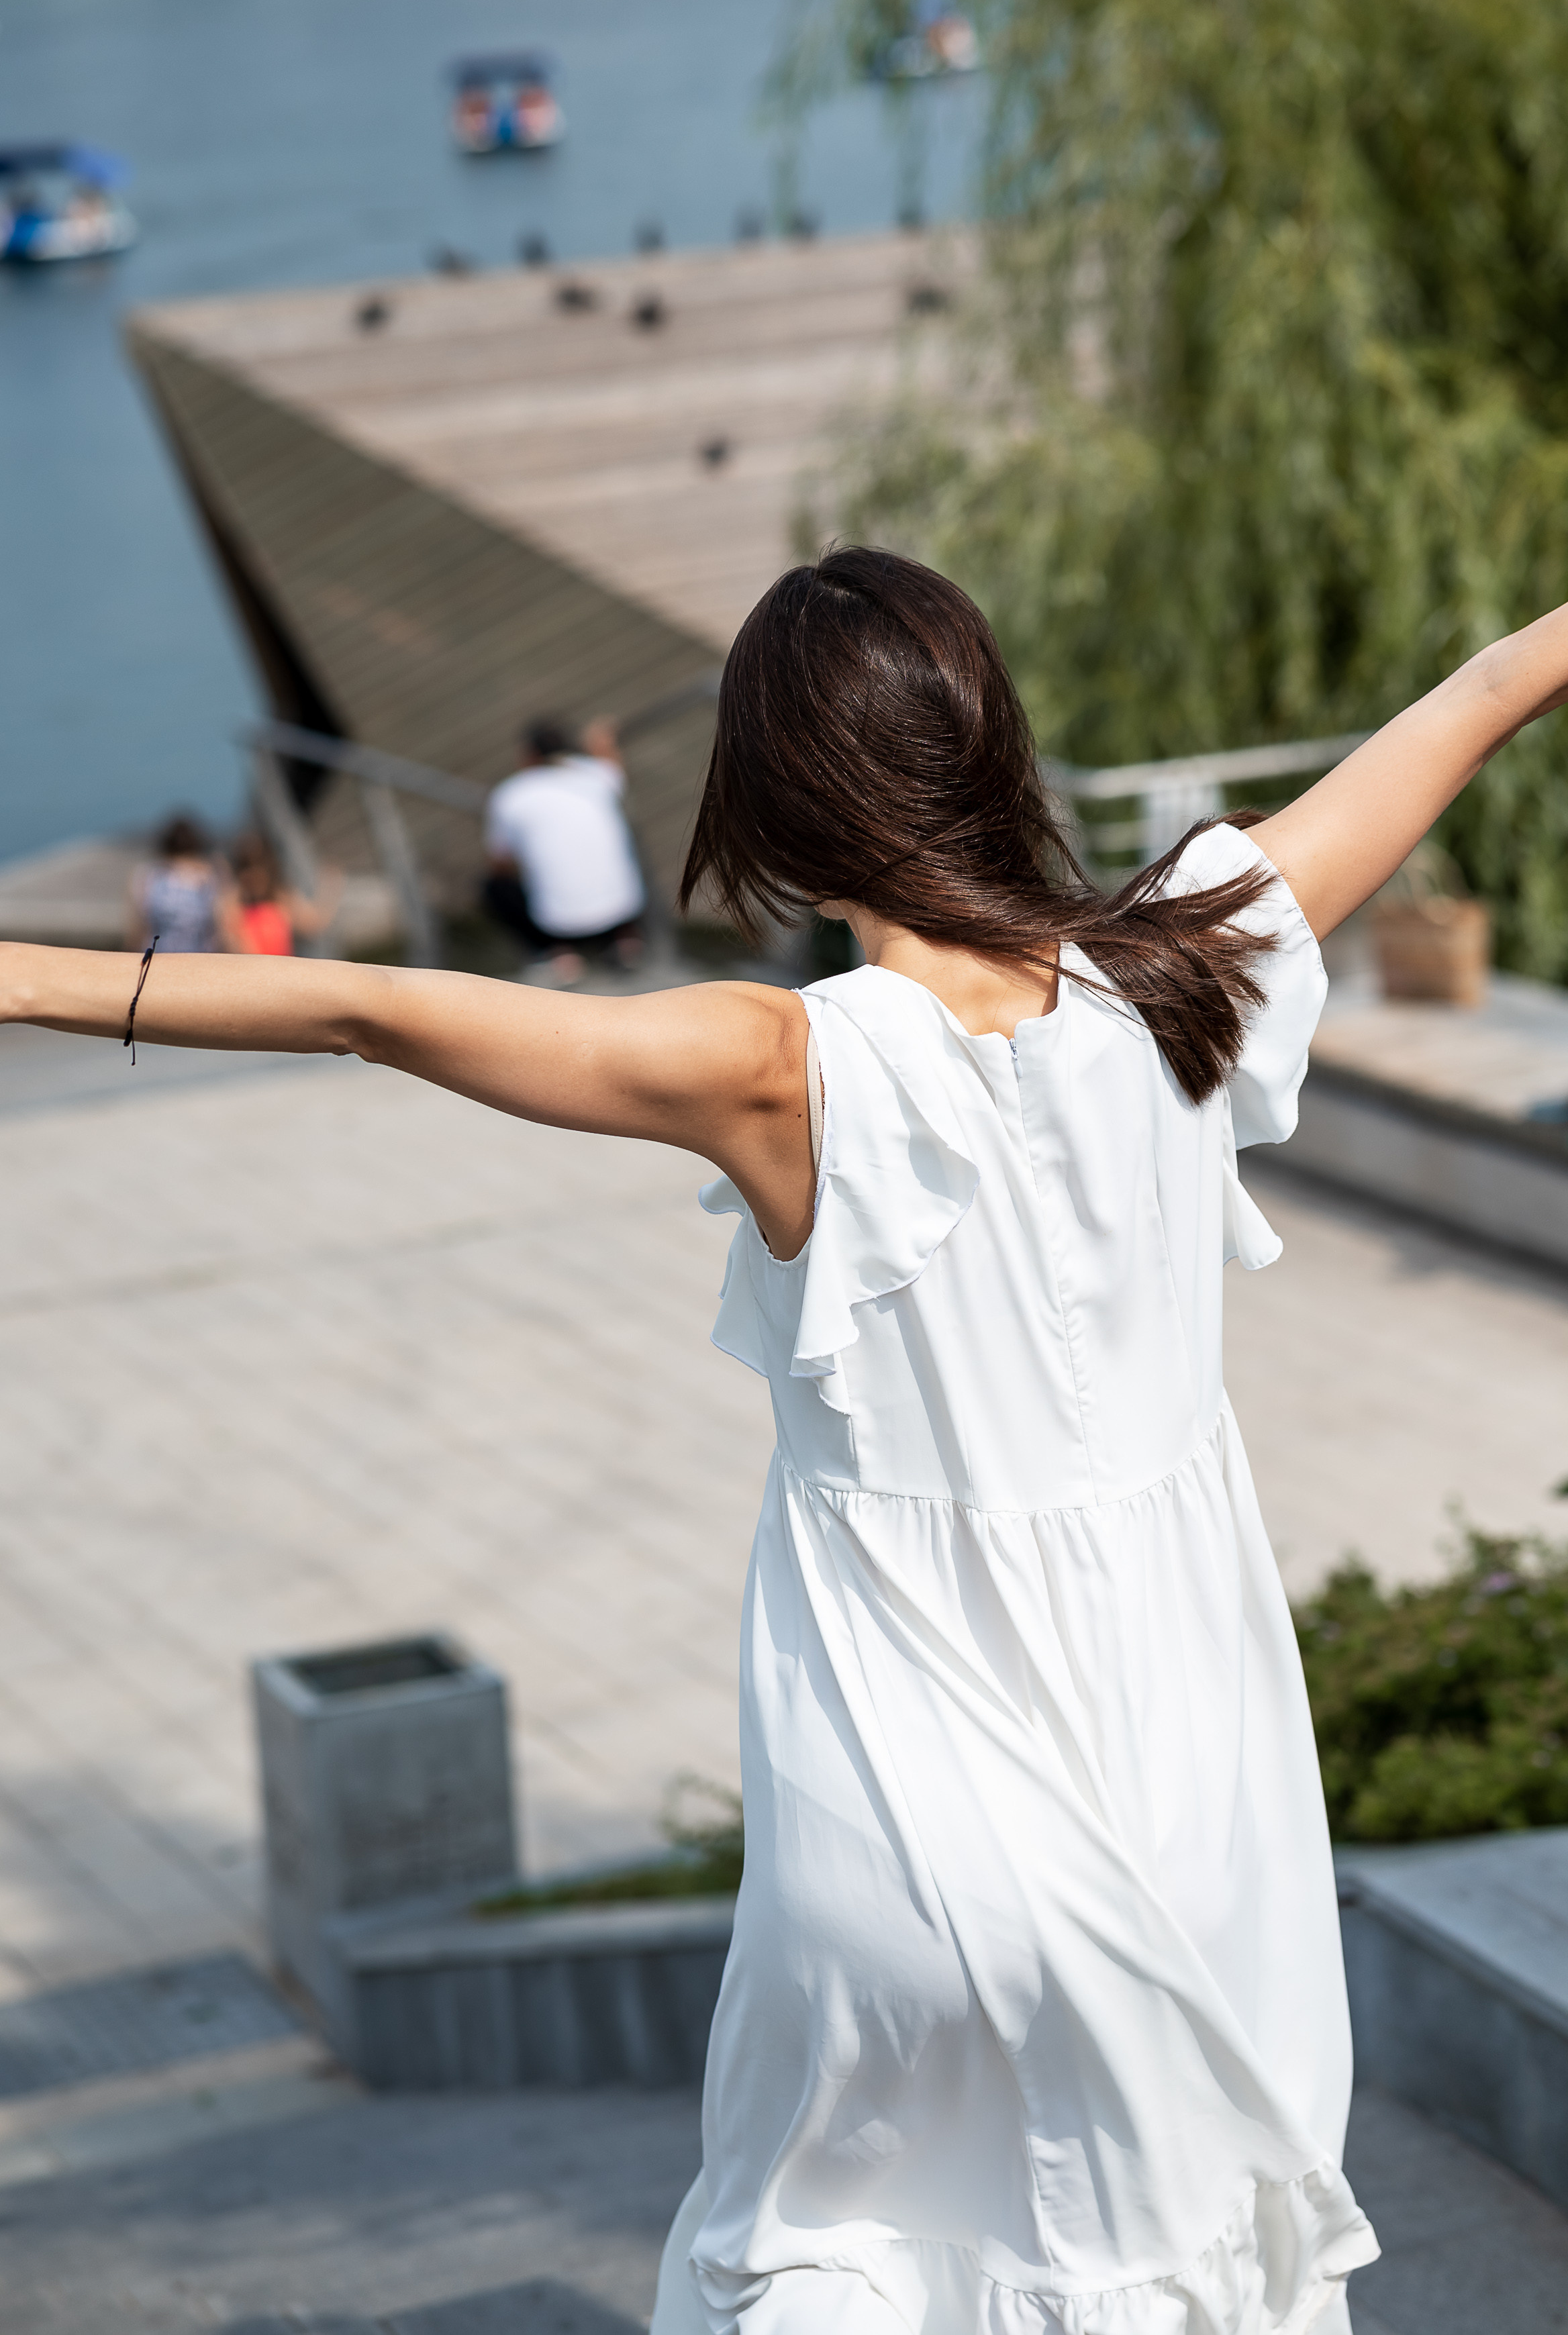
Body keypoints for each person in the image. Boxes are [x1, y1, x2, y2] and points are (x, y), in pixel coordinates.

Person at [7, 545, 1562, 2332]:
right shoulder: (1193, 967)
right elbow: (1484, 690)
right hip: (1195, 1775)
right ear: (988, 747)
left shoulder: (785, 1062)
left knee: (851, 2251)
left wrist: (27, 982)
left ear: (780, 801)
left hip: (910, 1801)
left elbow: (376, 1006)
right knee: (1176, 2248)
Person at [481, 715, 646, 983]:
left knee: (494, 886)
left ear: (528, 753)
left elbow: (499, 863)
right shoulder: (597, 776)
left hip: (558, 924)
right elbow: (611, 761)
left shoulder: (509, 794)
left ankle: (558, 954)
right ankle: (626, 943)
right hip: (620, 911)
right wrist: (601, 741)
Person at [126, 813, 245, 955]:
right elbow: (226, 929)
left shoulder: (149, 876)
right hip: (202, 962)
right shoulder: (212, 875)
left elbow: (137, 932)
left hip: (158, 962)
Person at [230, 832, 343, 957]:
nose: (254, 874)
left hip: (283, 972)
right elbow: (239, 946)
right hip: (255, 973)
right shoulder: (236, 904)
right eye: (247, 868)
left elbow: (313, 924)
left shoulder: (283, 897)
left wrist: (331, 888)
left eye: (259, 867)